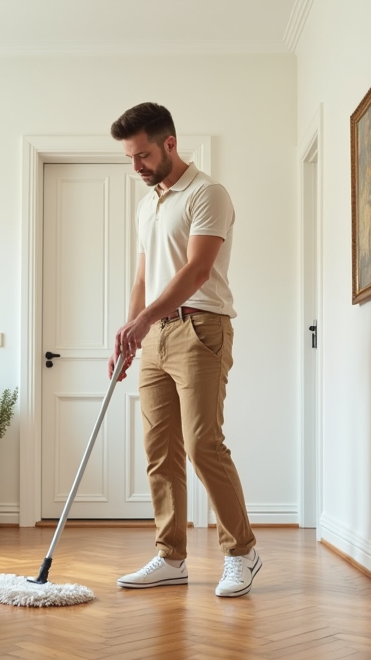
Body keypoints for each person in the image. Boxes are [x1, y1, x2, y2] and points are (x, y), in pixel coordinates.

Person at [108, 102, 260, 598]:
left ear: (170, 144)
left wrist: (145, 319)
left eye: (143, 155)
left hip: (200, 329)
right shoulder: (147, 205)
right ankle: (171, 557)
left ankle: (242, 553)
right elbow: (143, 277)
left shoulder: (207, 193)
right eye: (131, 158)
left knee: (202, 445)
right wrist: (130, 332)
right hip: (154, 334)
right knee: (159, 450)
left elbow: (197, 270)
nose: (137, 166)